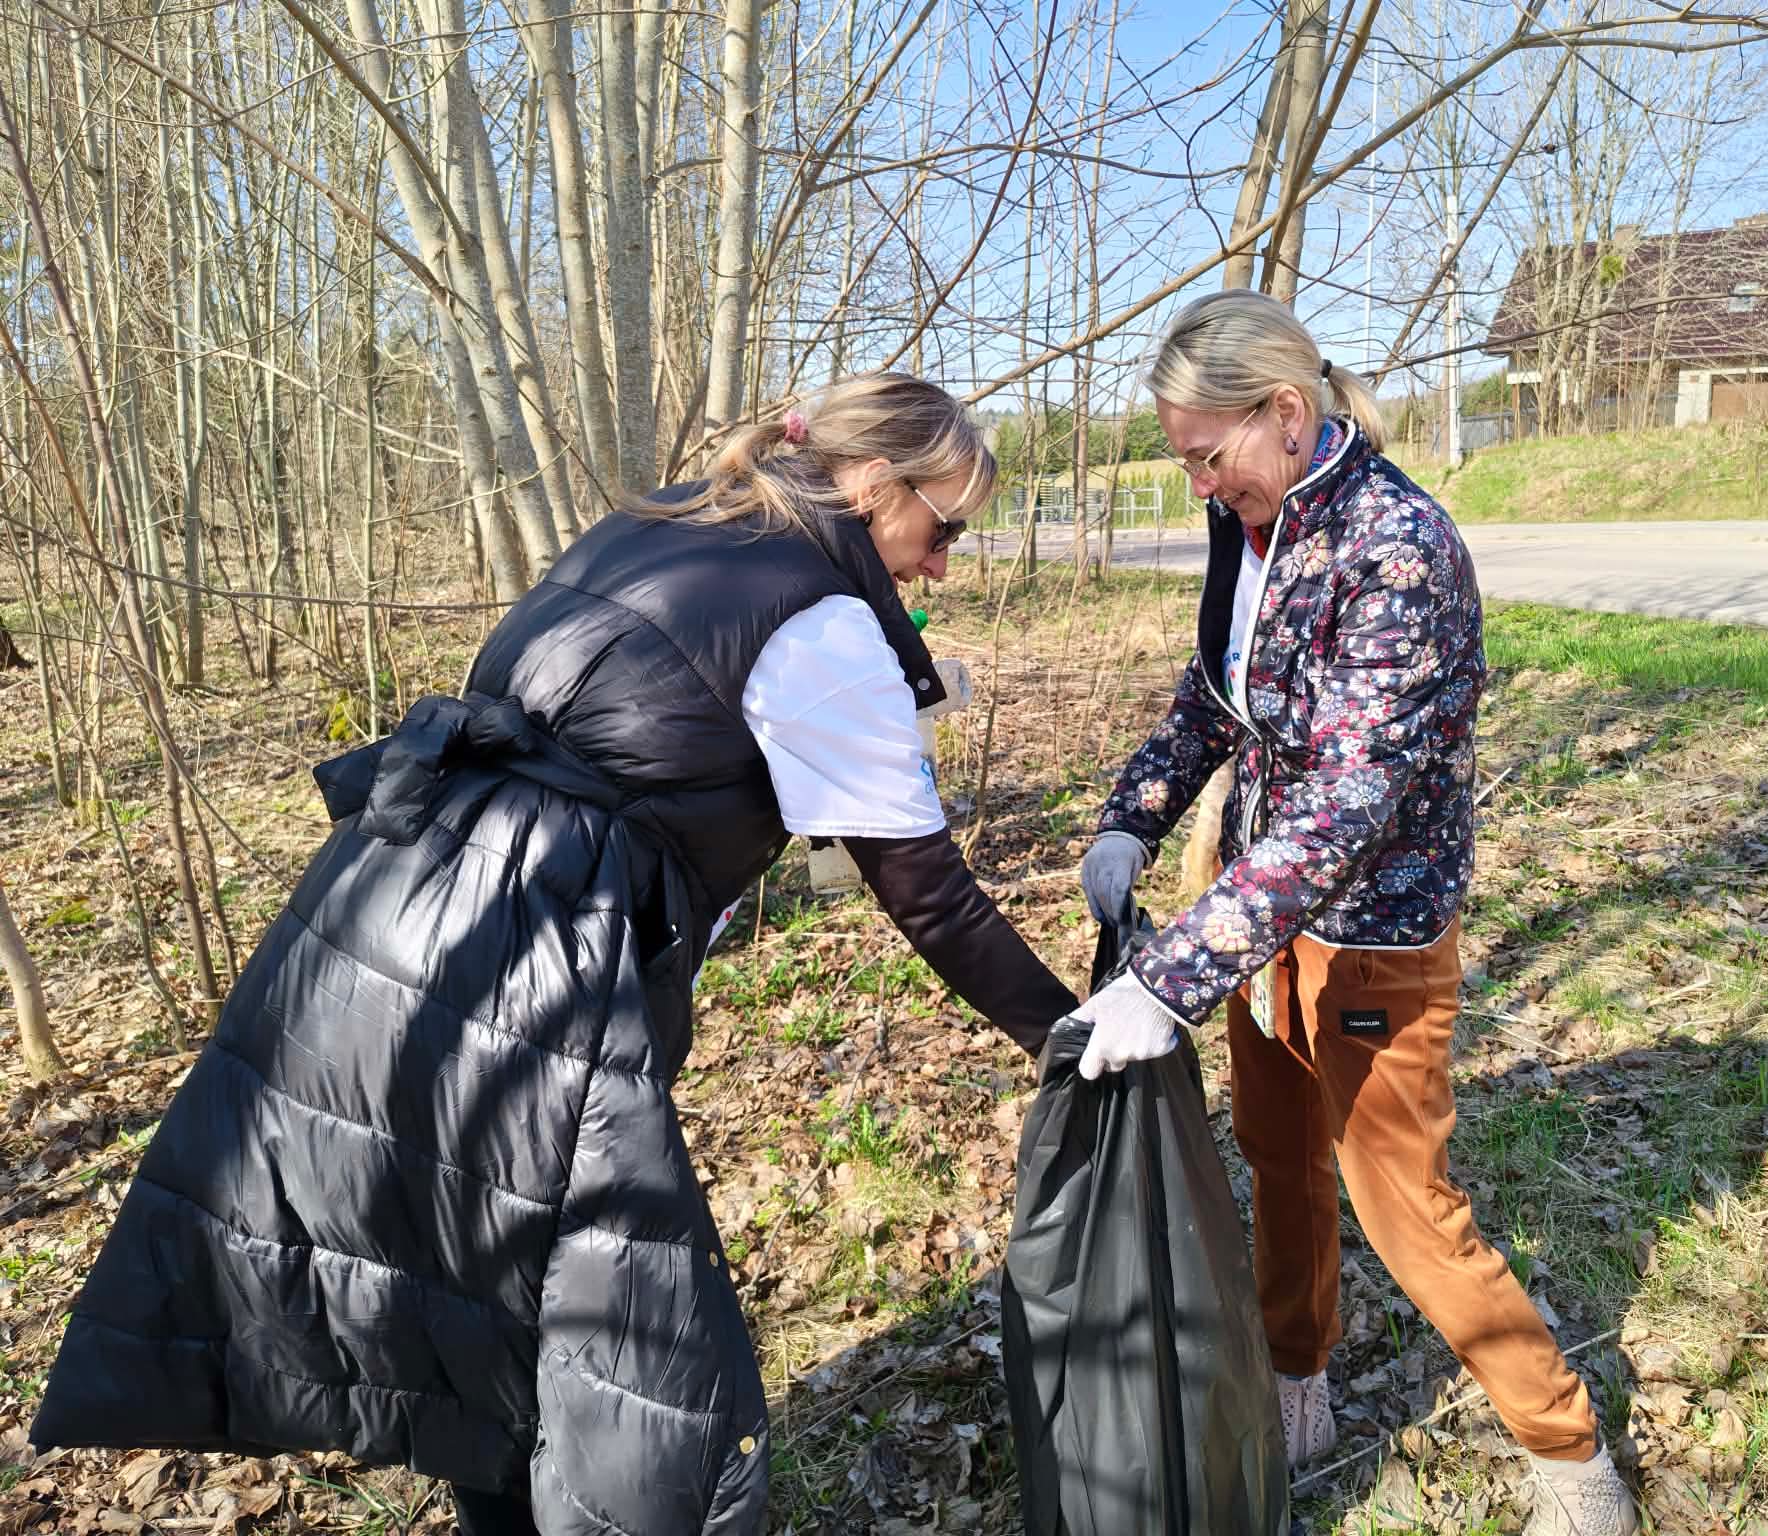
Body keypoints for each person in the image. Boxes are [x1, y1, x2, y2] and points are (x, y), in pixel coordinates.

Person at [32, 374, 1079, 1536]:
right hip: (528, 959)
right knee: (603, 1339)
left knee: (480, 1286)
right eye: (946, 528)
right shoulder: (819, 621)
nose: (942, 566)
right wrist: (1070, 1038)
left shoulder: (674, 519)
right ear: (878, 484)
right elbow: (927, 895)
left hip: (392, 896)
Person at [1066, 291, 1638, 1536]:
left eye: (1206, 457)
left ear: (1284, 412)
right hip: (1262, 927)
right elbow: (1215, 696)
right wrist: (1133, 816)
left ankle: (1572, 1458)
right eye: (1183, 465)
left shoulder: (1397, 550)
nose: (1200, 486)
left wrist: (1173, 972)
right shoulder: (1251, 524)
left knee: (1405, 1211)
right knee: (1277, 1163)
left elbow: (1346, 804)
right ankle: (1296, 1384)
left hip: (1371, 933)